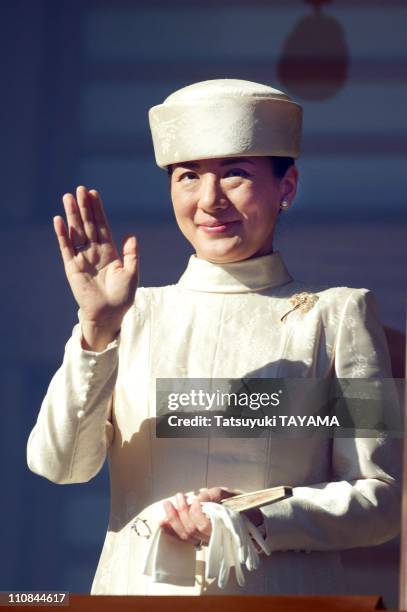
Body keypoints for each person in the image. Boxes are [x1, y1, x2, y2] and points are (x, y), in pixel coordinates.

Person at [26, 79, 401, 596]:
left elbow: (381, 501)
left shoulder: (339, 316)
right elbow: (59, 465)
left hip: (281, 602)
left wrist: (252, 518)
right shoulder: (129, 316)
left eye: (236, 175)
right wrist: (96, 329)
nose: (209, 200)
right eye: (188, 177)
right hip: (136, 598)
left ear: (285, 187)